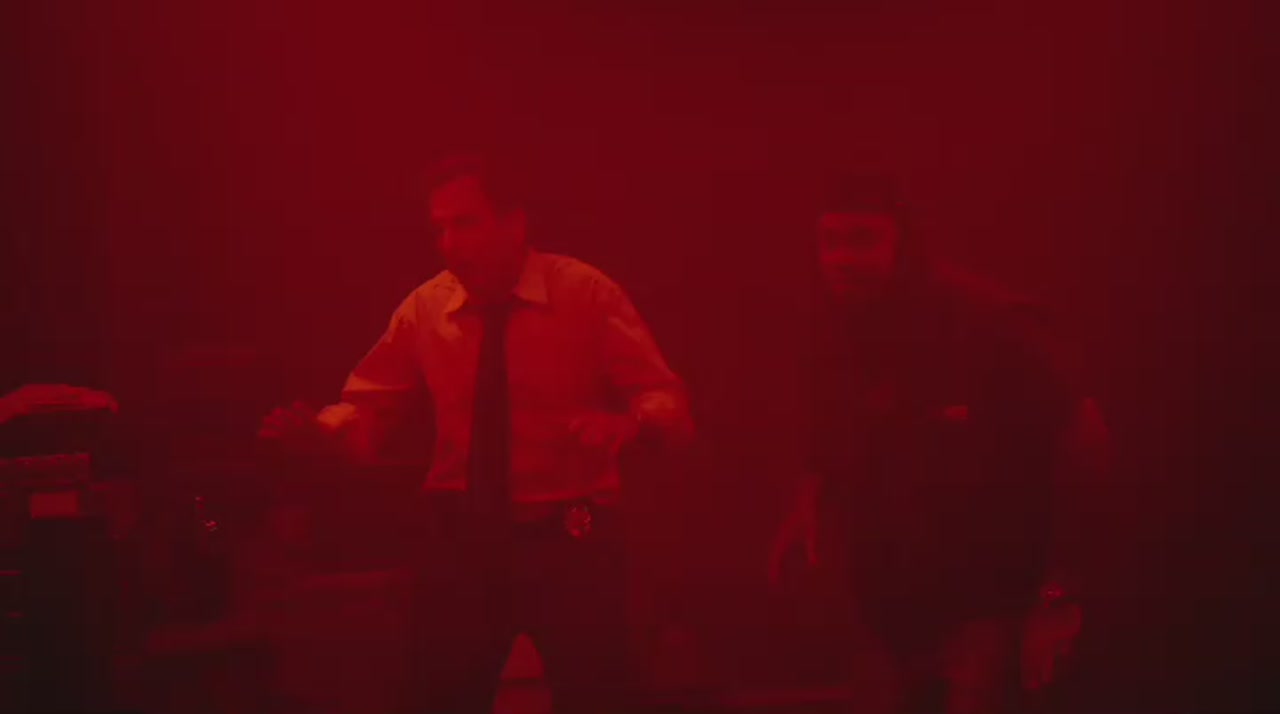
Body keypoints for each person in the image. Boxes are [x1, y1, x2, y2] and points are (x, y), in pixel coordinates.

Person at [260, 153, 692, 714]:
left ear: (515, 224)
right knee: (440, 696)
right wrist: (324, 434)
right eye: (439, 228)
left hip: (570, 534)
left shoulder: (584, 293)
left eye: (465, 223)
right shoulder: (427, 308)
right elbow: (369, 407)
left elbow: (666, 399)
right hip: (460, 540)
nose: (448, 244)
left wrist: (633, 423)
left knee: (599, 695)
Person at [769, 175, 1108, 714]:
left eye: (862, 239)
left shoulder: (987, 323)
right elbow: (831, 434)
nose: (841, 259)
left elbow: (1082, 442)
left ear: (905, 243)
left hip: (988, 607)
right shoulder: (832, 333)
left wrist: (1059, 594)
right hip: (888, 618)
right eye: (829, 241)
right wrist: (808, 501)